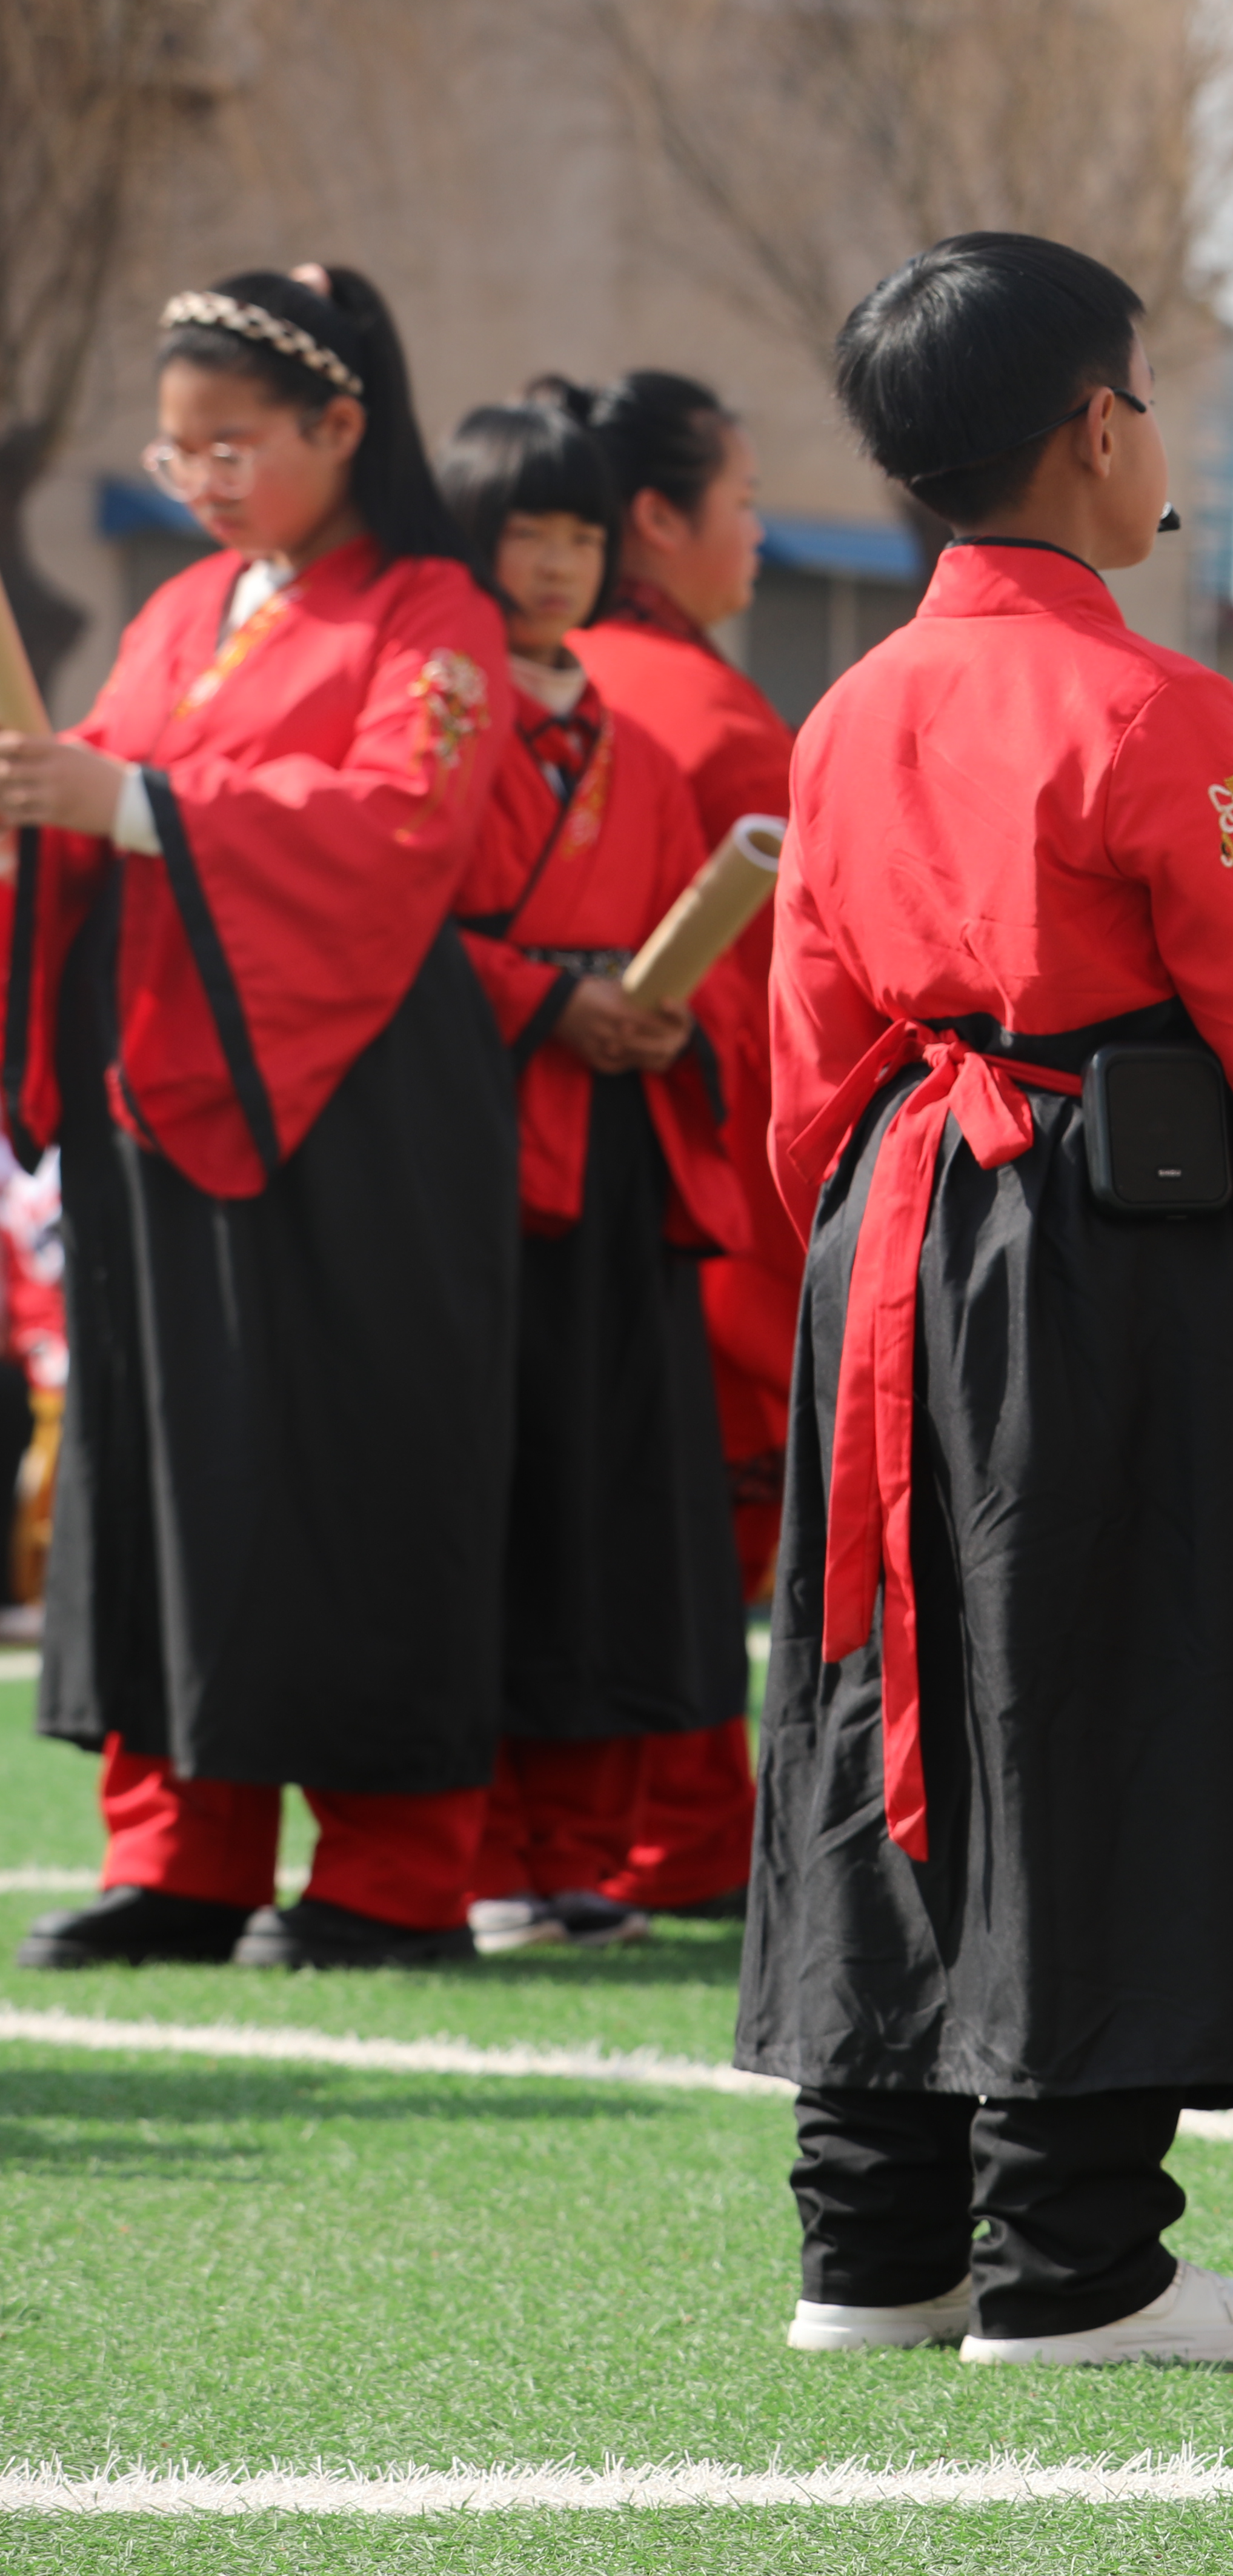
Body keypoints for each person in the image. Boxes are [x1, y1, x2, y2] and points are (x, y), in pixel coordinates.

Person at [739, 233, 1233, 2367]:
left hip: (890, 1239)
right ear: (1101, 429)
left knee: (874, 1696)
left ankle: (877, 2245)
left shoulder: (847, 712)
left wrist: (856, 1258)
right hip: (1097, 1245)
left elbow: (805, 1052)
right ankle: (1082, 2260)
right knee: (1100, 1697)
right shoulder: (1151, 704)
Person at [5, 268, 520, 1974]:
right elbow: (95, 788)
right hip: (159, 1087)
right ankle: (185, 1851)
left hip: (364, 1094)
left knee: (367, 1452)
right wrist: (48, 803)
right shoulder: (178, 615)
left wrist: (133, 798)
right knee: (166, 1459)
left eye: (231, 446)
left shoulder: (435, 614)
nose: (205, 482)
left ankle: (389, 1870)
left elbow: (398, 829)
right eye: (177, 457)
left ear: (339, 427)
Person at [435, 399, 756, 1952]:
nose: (554, 567)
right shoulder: (434, 720)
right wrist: (551, 1001)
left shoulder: (629, 736)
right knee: (488, 1498)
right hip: (470, 1154)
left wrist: (663, 1012)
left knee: (607, 1501)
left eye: (577, 536)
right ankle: (483, 1845)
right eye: (524, 534)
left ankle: (577, 1847)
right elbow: (392, 926)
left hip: (618, 1150)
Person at [545, 368, 780, 1920]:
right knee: (699, 1526)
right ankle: (680, 1831)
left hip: (507, 1168)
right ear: (656, 518)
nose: (757, 539)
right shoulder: (711, 721)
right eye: (745, 503)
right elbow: (792, 1008)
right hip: (691, 1187)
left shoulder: (516, 683)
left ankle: (567, 1840)